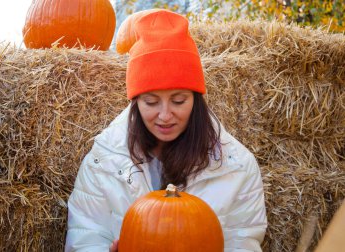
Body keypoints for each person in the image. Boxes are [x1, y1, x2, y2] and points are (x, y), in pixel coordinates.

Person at [65, 9, 267, 252]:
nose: (164, 115)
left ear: (196, 99)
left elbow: (244, 242)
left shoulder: (237, 166)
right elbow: (85, 237)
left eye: (178, 100)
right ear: (136, 102)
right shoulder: (103, 161)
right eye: (150, 102)